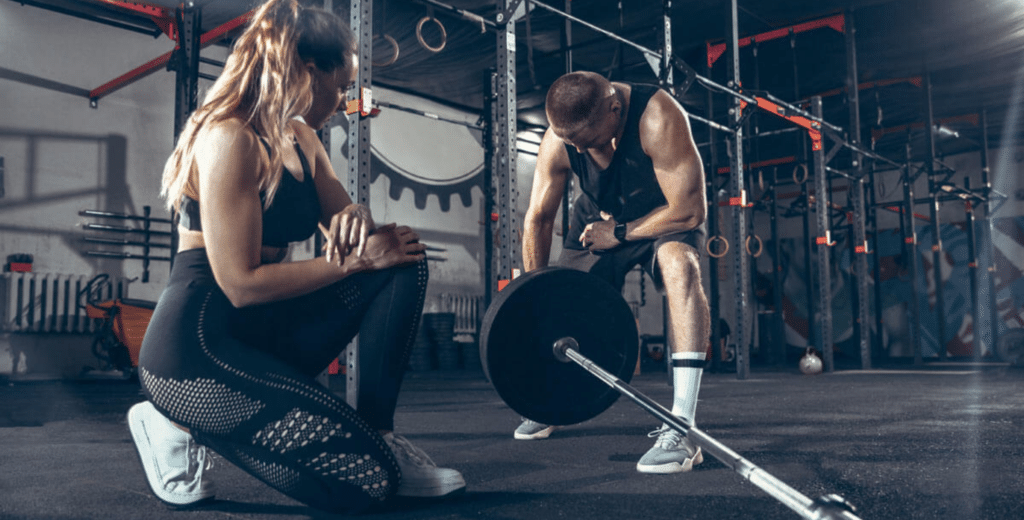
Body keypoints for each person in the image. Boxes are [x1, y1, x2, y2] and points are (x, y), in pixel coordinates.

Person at [126, 0, 464, 513]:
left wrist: (358, 215)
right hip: (196, 350)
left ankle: (381, 433)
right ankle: (175, 420)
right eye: (342, 86)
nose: (344, 99)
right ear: (309, 72)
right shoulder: (230, 136)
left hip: (265, 335)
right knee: (367, 485)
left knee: (402, 257)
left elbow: (353, 228)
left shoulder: (302, 136)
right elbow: (240, 284)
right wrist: (355, 261)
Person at [517, 71, 710, 475]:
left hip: (664, 216)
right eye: (571, 142)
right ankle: (554, 401)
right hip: (597, 221)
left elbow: (691, 210)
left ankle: (683, 426)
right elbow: (538, 219)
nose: (579, 150)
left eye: (588, 141)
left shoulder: (657, 117)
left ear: (615, 109)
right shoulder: (560, 139)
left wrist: (620, 233)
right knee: (561, 295)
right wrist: (535, 293)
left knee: (681, 266)